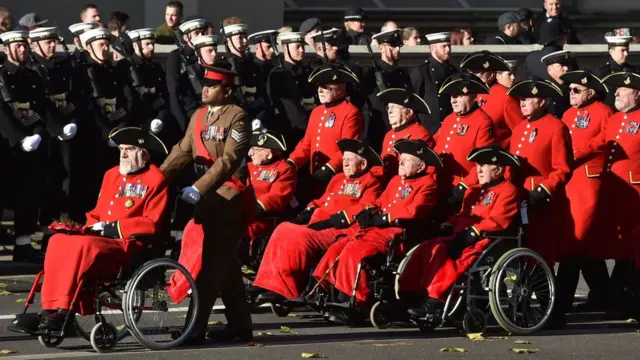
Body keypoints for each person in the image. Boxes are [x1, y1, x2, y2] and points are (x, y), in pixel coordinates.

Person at [10, 127, 169, 333]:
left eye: (129, 149)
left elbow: (152, 222)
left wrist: (111, 228)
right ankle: (49, 309)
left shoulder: (156, 179)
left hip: (129, 243)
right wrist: (85, 226)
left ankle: (65, 311)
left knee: (84, 245)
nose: (122, 154)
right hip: (101, 238)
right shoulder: (111, 174)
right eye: (121, 149)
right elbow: (98, 211)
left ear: (144, 153)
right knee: (57, 241)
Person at [160, 62, 253, 344]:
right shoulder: (199, 115)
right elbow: (182, 150)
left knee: (211, 267)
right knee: (226, 267)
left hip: (227, 196)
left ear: (226, 91)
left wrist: (199, 188)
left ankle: (194, 328)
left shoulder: (237, 117)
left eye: (212, 86)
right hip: (205, 198)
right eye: (205, 85)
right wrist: (156, 181)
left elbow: (228, 161)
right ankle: (240, 326)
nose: (205, 90)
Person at [313, 139, 440, 325]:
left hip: (398, 233)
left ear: (420, 166)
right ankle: (330, 291)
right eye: (400, 158)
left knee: (354, 250)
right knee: (339, 245)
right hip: (377, 230)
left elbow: (416, 210)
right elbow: (380, 202)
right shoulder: (396, 181)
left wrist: (385, 217)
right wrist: (367, 211)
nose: (401, 162)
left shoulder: (428, 184)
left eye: (406, 159)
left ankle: (356, 303)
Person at [251, 139, 383, 304]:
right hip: (319, 224)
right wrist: (308, 210)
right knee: (284, 228)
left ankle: (285, 288)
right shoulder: (338, 179)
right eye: (344, 158)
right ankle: (268, 282)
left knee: (299, 235)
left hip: (339, 229)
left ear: (363, 164)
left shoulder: (371, 182)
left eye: (350, 159)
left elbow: (367, 207)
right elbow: (323, 200)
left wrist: (333, 220)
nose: (345, 162)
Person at [399, 145, 520, 317]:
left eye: (483, 166)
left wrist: (473, 232)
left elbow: (498, 221)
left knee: (444, 253)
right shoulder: (475, 190)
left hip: (486, 238)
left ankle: (436, 300)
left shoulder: (508, 191)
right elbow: (463, 215)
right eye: (477, 165)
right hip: (461, 233)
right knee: (426, 248)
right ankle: (410, 293)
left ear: (498, 169)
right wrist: (448, 223)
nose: (478, 170)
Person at [0, 30, 64, 262]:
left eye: (24, 46)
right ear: (6, 49)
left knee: (28, 194)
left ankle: (23, 243)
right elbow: (2, 113)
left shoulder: (32, 76)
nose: (22, 50)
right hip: (6, 146)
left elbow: (42, 109)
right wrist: (18, 138)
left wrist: (39, 133)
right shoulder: (2, 76)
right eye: (17, 46)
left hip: (32, 144)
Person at [556, 70, 612, 316]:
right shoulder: (568, 114)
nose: (571, 93)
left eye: (577, 90)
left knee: (578, 239)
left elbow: (605, 139)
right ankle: (603, 295)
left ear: (590, 91)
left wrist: (578, 152)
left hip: (589, 179)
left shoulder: (603, 111)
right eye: (569, 90)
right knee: (582, 243)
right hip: (570, 181)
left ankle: (563, 300)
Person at [506, 78, 573, 283]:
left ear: (542, 101)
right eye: (521, 99)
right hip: (520, 197)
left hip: (541, 200)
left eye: (528, 99)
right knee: (521, 251)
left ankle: (548, 306)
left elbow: (563, 168)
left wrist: (546, 189)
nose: (522, 103)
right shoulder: (519, 128)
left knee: (540, 254)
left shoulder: (556, 127)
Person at [589, 70, 640, 320]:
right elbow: (599, 142)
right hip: (614, 190)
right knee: (618, 247)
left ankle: (627, 298)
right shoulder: (615, 118)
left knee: (632, 249)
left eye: (623, 89)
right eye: (616, 88)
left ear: (637, 94)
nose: (616, 92)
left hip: (635, 193)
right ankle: (615, 297)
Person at [72, 28, 136, 220]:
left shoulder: (116, 72)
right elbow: (87, 106)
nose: (106, 48)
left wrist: (121, 130)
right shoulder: (82, 72)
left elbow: (127, 102)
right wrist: (107, 132)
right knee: (90, 183)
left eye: (107, 44)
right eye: (101, 45)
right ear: (89, 47)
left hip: (117, 137)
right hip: (94, 136)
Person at [27, 27, 80, 246]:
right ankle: (44, 234)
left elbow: (69, 97)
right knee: (46, 186)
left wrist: (72, 121)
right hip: (45, 136)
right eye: (47, 42)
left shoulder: (57, 67)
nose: (52, 45)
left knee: (63, 183)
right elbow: (41, 104)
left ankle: (55, 233)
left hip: (63, 136)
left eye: (53, 41)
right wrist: (58, 128)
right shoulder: (34, 69)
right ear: (35, 44)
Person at [286, 63, 362, 203]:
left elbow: (347, 148)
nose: (320, 90)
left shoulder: (350, 112)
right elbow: (307, 143)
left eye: (326, 86)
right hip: (314, 175)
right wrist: (291, 162)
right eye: (319, 85)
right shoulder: (317, 111)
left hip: (334, 177)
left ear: (340, 88)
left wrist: (328, 169)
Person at [433, 73, 495, 210]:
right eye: (452, 96)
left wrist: (463, 186)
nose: (453, 100)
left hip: (461, 189)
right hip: (440, 184)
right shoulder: (449, 119)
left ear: (473, 97)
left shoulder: (483, 121)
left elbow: (483, 161)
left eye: (459, 96)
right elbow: (436, 145)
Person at [118, 28, 179, 148]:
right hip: (136, 124)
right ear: (135, 45)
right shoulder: (125, 66)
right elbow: (129, 100)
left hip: (155, 122)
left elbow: (164, 97)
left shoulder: (156, 67)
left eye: (153, 44)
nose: (151, 47)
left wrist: (160, 118)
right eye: (147, 44)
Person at [361, 29, 412, 153]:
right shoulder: (371, 74)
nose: (397, 50)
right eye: (393, 46)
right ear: (381, 48)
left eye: (399, 46)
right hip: (380, 129)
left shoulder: (402, 74)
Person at [461, 51, 523, 148]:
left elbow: (520, 133)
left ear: (491, 75)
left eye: (478, 72)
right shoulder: (469, 94)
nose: (472, 76)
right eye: (471, 72)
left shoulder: (505, 97)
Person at [244, 128, 297, 242]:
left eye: (255, 149)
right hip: (241, 212)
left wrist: (251, 208)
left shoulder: (284, 170)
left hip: (262, 218)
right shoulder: (248, 166)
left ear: (268, 154)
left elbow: (277, 197)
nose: (250, 153)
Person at [266, 31, 315, 146]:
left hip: (309, 129)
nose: (302, 50)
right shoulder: (277, 74)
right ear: (285, 48)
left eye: (302, 46)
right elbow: (279, 105)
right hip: (289, 131)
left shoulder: (307, 71)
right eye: (297, 47)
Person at [376, 88, 434, 182]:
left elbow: (422, 171)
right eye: (388, 107)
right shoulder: (389, 135)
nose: (389, 111)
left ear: (409, 113)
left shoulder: (420, 134)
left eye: (394, 107)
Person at [221, 17, 270, 123]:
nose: (244, 41)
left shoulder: (253, 66)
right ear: (228, 41)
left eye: (245, 37)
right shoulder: (224, 66)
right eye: (239, 38)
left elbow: (262, 95)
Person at [410, 32, 458, 134]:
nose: (448, 50)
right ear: (432, 48)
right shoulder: (421, 72)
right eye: (443, 47)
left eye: (449, 46)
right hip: (428, 130)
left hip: (449, 128)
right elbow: (412, 102)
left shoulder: (453, 71)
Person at [166, 18, 207, 133]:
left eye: (202, 33)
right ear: (186, 37)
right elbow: (173, 91)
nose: (200, 36)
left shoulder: (206, 55)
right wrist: (182, 123)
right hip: (188, 113)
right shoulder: (176, 57)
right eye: (196, 33)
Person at [597, 29, 636, 111]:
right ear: (611, 51)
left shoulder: (633, 70)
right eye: (622, 50)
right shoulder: (604, 73)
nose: (626, 54)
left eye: (627, 50)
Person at [541, 50, 576, 118]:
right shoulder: (545, 89)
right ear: (549, 70)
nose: (566, 68)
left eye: (566, 65)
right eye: (560, 66)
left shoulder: (568, 86)